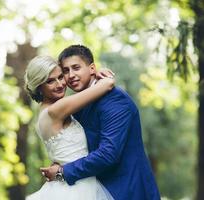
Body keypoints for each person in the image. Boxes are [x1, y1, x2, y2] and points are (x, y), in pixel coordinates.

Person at [40, 45, 161, 200]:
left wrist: (63, 172)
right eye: (65, 70)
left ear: (92, 69)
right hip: (93, 189)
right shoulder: (79, 103)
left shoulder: (115, 100)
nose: (71, 75)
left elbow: (108, 154)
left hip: (126, 190)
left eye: (76, 68)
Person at [24, 55, 115, 200]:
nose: (59, 84)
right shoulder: (58, 109)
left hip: (72, 182)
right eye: (50, 81)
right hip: (76, 188)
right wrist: (98, 72)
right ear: (39, 86)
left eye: (61, 77)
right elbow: (107, 84)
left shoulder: (45, 111)